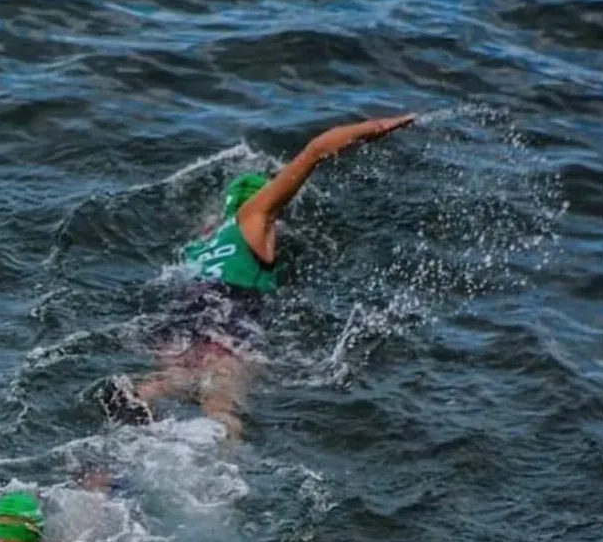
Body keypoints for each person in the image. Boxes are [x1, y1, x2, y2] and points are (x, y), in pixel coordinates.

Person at [98, 113, 416, 439]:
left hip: (184, 312)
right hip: (229, 314)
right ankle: (217, 466)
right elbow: (316, 150)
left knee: (168, 380)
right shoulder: (254, 218)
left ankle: (133, 414)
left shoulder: (200, 246)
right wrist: (375, 128)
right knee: (222, 404)